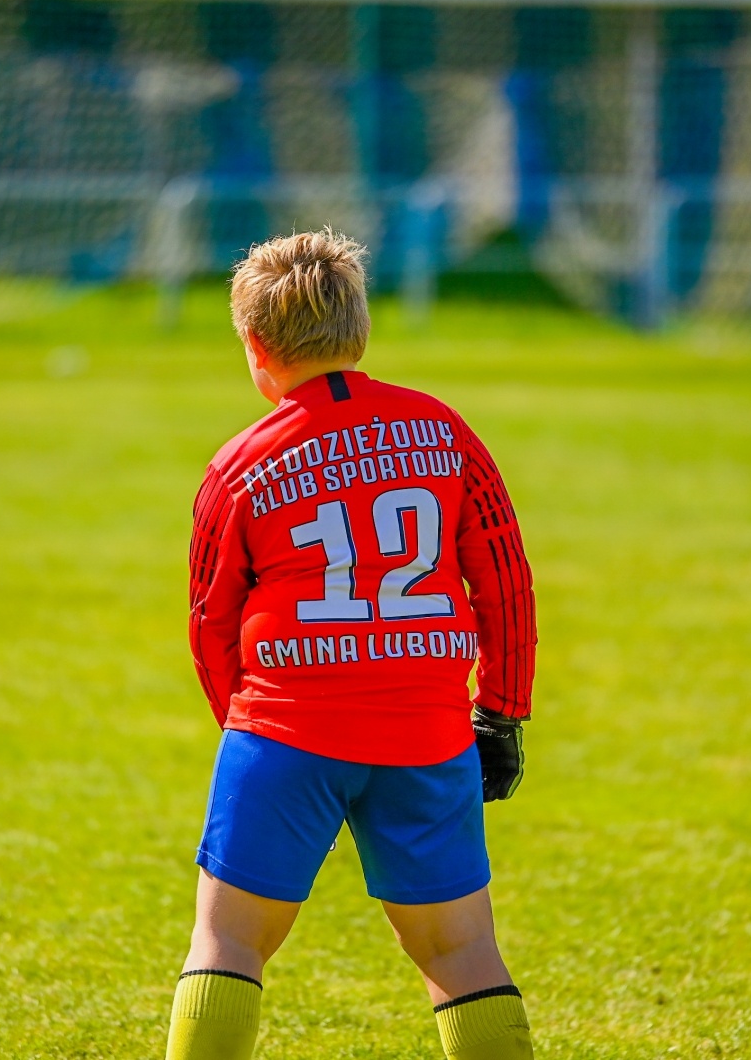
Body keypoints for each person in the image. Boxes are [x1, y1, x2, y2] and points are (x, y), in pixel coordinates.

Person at [170, 229, 538, 1060]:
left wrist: (242, 724)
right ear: (361, 331)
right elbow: (505, 582)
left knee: (229, 940)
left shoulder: (241, 466)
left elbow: (209, 619)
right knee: (459, 949)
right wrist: (503, 713)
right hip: (425, 730)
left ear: (256, 350)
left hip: (286, 728)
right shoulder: (445, 433)